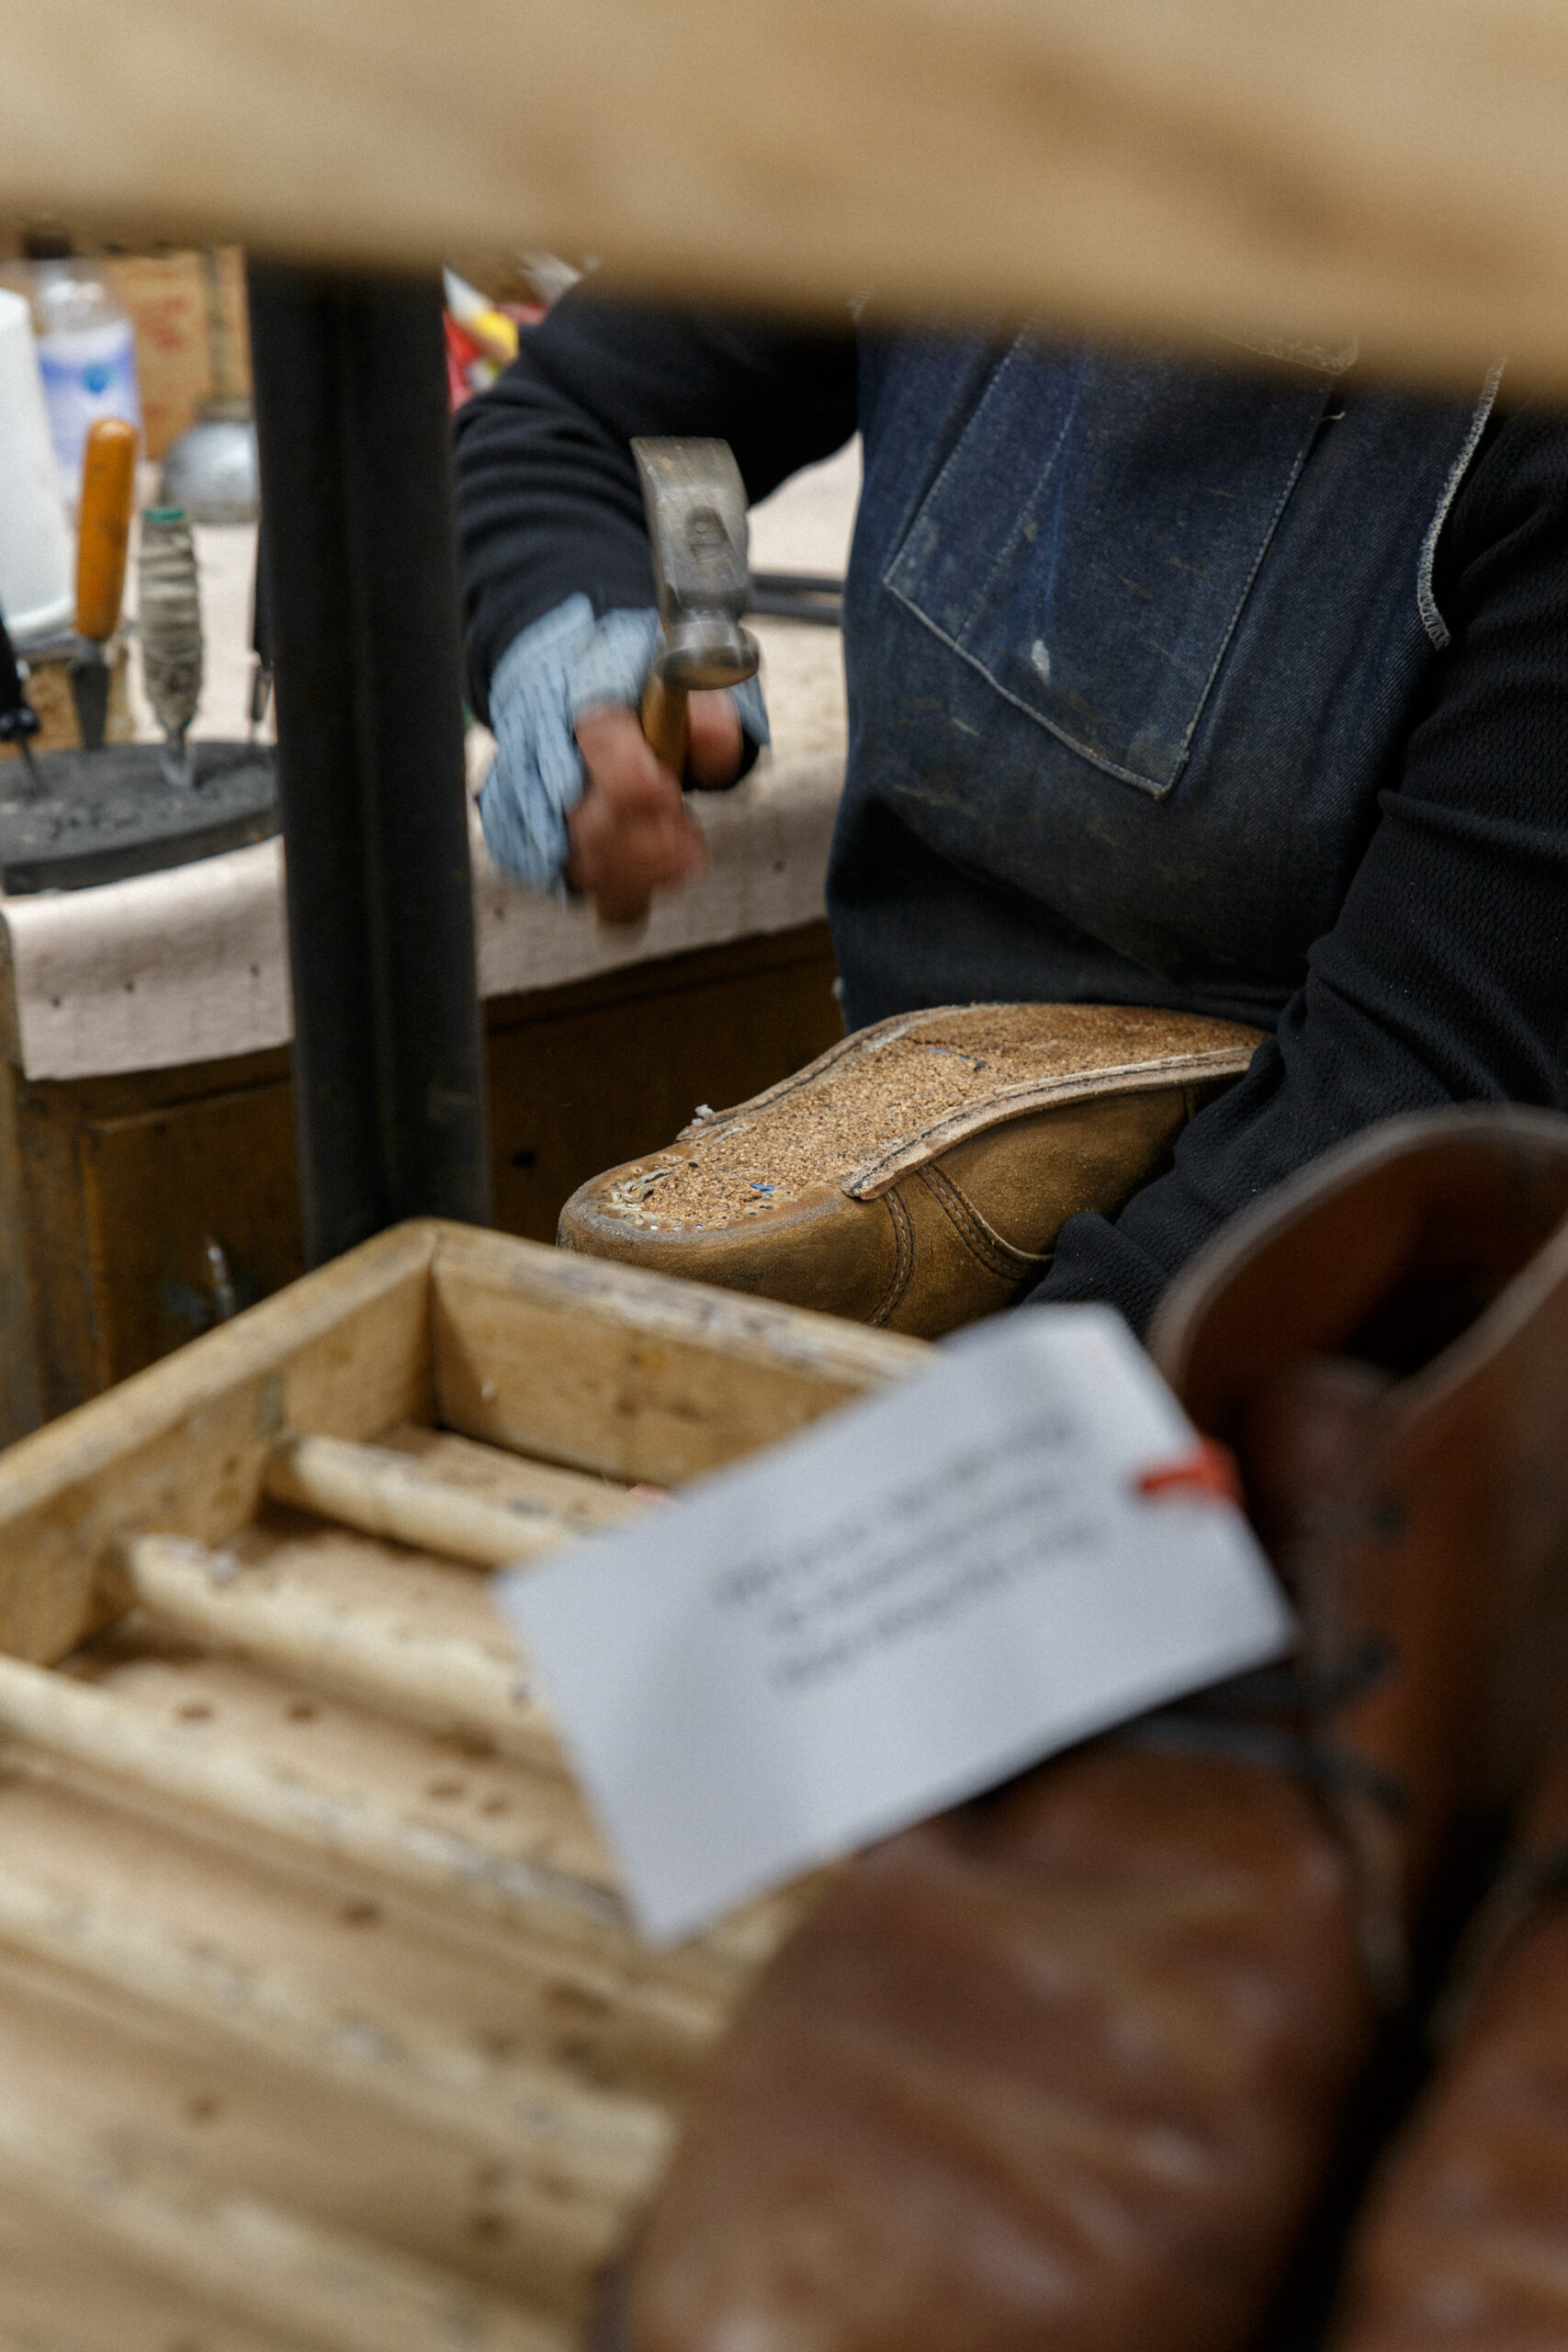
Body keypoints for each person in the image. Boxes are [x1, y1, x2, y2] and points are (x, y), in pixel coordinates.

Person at [454, 295, 1568, 1335]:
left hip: (1302, 1349)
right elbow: (559, 426)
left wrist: (947, 1441)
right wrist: (579, 663)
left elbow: (1405, 1097)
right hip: (892, 1225)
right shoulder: (971, 133)